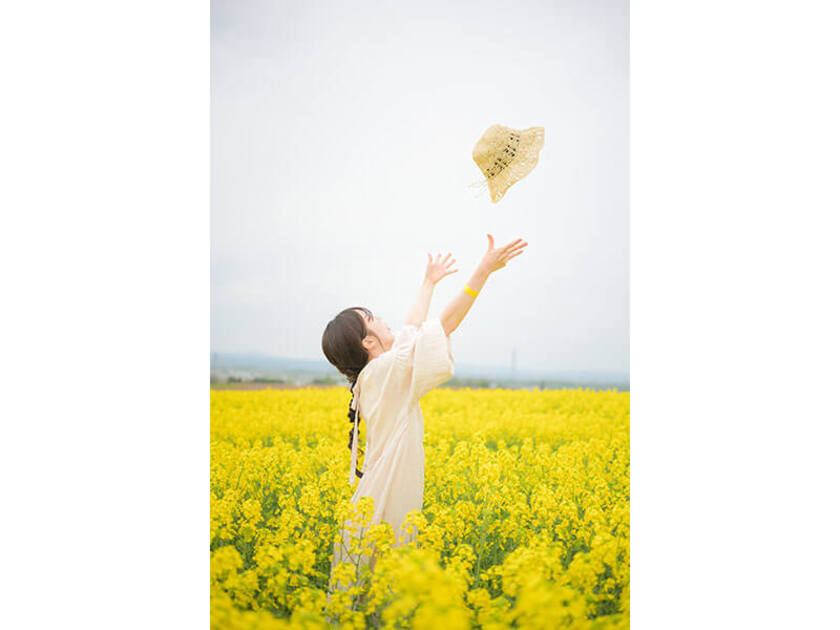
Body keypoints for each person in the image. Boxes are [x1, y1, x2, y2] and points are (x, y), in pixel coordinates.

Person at [320, 233, 528, 596]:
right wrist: (482, 271)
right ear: (368, 342)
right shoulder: (383, 373)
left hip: (378, 495)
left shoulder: (378, 375)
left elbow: (412, 329)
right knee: (384, 589)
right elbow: (440, 327)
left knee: (375, 590)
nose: (383, 319)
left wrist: (428, 282)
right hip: (385, 499)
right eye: (373, 319)